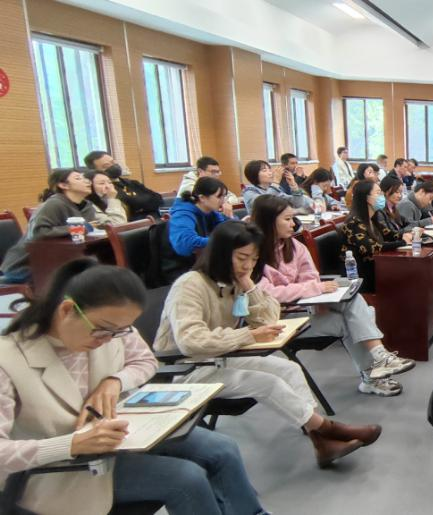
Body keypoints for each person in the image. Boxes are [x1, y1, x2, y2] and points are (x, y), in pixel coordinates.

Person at [0, 260, 266, 515]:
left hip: (118, 441)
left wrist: (115, 381)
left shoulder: (111, 328)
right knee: (187, 479)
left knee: (222, 449)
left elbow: (145, 360)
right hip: (64, 469)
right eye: (103, 331)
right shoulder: (8, 360)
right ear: (67, 310)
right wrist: (72, 444)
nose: (108, 340)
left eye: (119, 332)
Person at [154, 222, 381, 468]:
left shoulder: (233, 283)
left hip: (221, 358)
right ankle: (328, 431)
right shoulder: (190, 285)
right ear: (220, 253)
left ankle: (320, 438)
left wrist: (249, 286)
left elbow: (270, 320)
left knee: (289, 369)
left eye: (253, 259)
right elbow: (191, 341)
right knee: (267, 383)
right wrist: (248, 336)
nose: (248, 265)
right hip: (186, 369)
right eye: (242, 258)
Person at [252, 196, 412, 396]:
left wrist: (317, 297)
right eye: (287, 219)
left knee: (354, 302)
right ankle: (373, 373)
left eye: (293, 218)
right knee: (356, 319)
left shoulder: (293, 246)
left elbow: (310, 276)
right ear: (268, 221)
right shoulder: (253, 253)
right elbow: (268, 294)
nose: (293, 224)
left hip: (307, 307)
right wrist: (314, 290)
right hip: (283, 319)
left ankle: (378, 359)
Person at [1, 170, 95, 283]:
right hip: (28, 265)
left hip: (62, 259)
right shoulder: (54, 204)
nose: (87, 181)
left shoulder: (87, 207)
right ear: (63, 185)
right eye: (78, 178)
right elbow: (39, 232)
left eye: (85, 178)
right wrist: (76, 228)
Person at [339, 179, 415, 293]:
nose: (382, 197)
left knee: (410, 271)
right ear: (367, 198)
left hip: (376, 266)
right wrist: (403, 242)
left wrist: (407, 235)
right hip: (360, 274)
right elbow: (372, 247)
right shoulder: (353, 223)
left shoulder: (373, 218)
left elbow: (389, 234)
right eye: (378, 193)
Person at [161, 177, 232, 284]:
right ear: (202, 198)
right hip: (181, 270)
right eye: (219, 196)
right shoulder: (183, 214)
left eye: (224, 196)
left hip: (203, 264)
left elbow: (225, 228)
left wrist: (233, 221)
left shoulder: (211, 211)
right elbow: (186, 244)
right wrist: (220, 241)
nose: (223, 201)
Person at [83, 150, 162, 221]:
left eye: (113, 162)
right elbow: (129, 205)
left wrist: (139, 203)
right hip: (136, 225)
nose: (113, 166)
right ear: (96, 171)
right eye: (106, 166)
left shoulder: (132, 183)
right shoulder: (107, 189)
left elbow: (158, 198)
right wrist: (144, 201)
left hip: (156, 220)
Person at [242, 159, 312, 213]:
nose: (270, 173)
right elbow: (265, 203)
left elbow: (297, 204)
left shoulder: (275, 190)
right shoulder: (249, 191)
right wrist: (275, 182)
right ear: (253, 174)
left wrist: (294, 186)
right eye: (264, 170)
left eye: (269, 170)